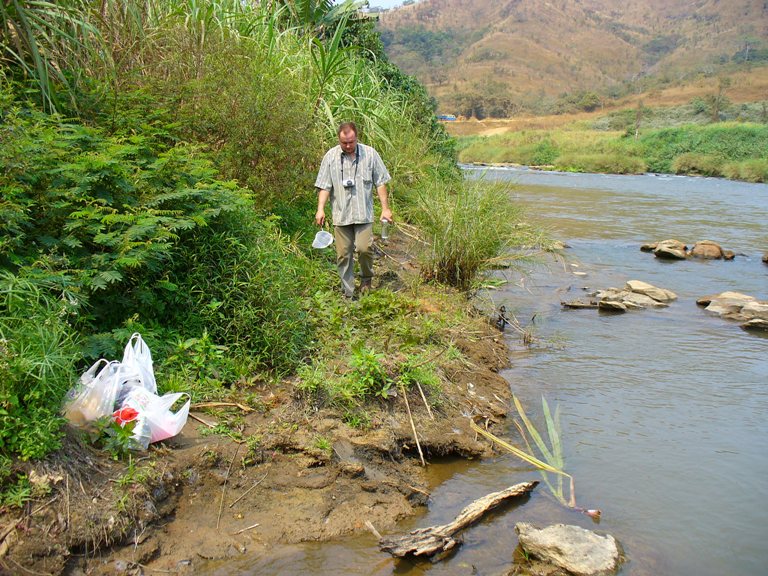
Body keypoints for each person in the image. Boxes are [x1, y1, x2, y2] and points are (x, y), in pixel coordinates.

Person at [315, 121, 393, 298]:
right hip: (341, 215)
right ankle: (348, 292)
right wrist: (320, 209)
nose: (348, 146)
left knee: (364, 248)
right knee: (343, 254)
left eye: (351, 142)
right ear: (339, 139)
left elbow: (380, 183)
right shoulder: (330, 157)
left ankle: (366, 279)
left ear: (357, 137)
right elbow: (324, 186)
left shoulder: (370, 154)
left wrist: (385, 209)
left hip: (363, 214)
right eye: (344, 143)